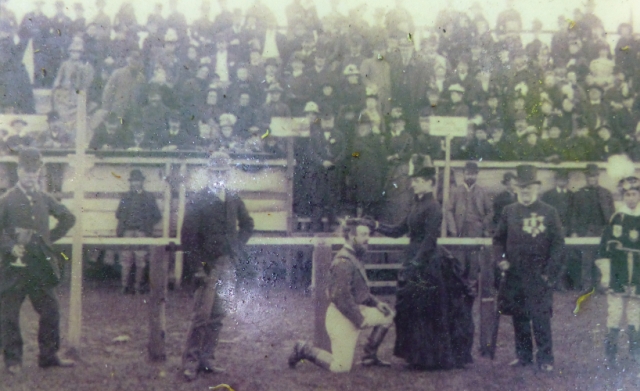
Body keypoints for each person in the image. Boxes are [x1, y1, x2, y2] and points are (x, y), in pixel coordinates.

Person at [377, 167, 475, 369]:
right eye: (414, 181)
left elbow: (430, 241)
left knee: (425, 311)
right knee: (411, 310)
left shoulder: (434, 207)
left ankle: (429, 359)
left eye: (418, 181)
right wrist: (376, 225)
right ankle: (416, 357)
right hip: (414, 261)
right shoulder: (417, 205)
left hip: (428, 266)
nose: (413, 184)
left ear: (430, 183)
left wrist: (415, 264)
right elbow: (398, 231)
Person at [0, 148, 76, 374]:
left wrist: (48, 240)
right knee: (9, 314)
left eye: (35, 171)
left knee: (51, 310)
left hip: (40, 267)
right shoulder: (7, 199)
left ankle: (49, 355)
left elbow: (68, 217)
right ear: (19, 171)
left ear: (39, 172)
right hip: (14, 267)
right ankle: (13, 361)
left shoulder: (44, 198)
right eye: (26, 170)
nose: (30, 175)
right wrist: (9, 246)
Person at [180, 152, 254, 381]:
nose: (219, 175)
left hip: (227, 264)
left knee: (219, 315)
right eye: (215, 171)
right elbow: (188, 238)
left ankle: (207, 359)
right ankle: (190, 362)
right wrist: (197, 268)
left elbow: (248, 224)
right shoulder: (197, 199)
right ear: (209, 173)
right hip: (207, 265)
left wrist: (236, 247)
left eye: (223, 172)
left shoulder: (233, 197)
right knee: (201, 316)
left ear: (229, 173)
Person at [288, 217, 395, 372]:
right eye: (363, 235)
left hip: (355, 312)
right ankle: (303, 349)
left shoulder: (354, 256)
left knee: (387, 315)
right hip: (341, 318)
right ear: (352, 237)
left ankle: (369, 356)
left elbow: (359, 292)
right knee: (340, 367)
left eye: (368, 235)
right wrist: (359, 319)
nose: (368, 239)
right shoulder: (343, 261)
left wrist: (377, 304)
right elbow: (341, 298)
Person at [493, 165, 564, 372]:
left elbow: (558, 244)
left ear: (536, 188)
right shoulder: (509, 211)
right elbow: (498, 240)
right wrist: (501, 259)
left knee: (540, 316)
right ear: (516, 189)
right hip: (515, 273)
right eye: (522, 188)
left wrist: (549, 272)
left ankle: (546, 358)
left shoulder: (549, 212)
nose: (525, 191)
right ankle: (523, 356)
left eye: (529, 188)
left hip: (539, 274)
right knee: (519, 316)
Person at [595, 168, 640, 370]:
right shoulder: (616, 219)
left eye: (635, 193)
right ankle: (610, 355)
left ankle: (635, 354)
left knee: (635, 315)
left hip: (638, 276)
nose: (631, 198)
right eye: (627, 194)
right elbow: (604, 251)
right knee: (614, 313)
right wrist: (605, 275)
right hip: (617, 275)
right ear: (623, 196)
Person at [115, 169, 162, 294]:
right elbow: (118, 214)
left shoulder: (149, 197)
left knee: (141, 259)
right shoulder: (126, 197)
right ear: (131, 183)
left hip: (142, 232)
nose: (135, 183)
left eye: (138, 181)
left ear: (142, 182)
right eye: (133, 181)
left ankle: (137, 286)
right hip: (127, 232)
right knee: (126, 259)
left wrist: (147, 225)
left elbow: (157, 215)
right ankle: (124, 286)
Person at [570, 164, 615, 291]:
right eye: (589, 176)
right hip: (586, 230)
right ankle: (587, 286)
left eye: (594, 175)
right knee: (587, 259)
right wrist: (574, 231)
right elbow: (574, 214)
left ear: (598, 176)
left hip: (602, 230)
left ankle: (601, 286)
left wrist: (611, 230)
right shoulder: (579, 194)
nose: (592, 178)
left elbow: (612, 213)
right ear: (586, 177)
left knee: (602, 259)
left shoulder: (605, 193)